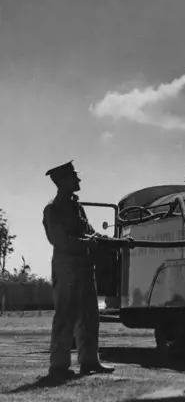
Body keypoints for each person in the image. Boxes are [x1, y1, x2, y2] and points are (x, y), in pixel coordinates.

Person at [43, 160, 114, 381]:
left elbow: (91, 232)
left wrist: (112, 241)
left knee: (90, 315)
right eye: (74, 176)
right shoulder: (53, 209)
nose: (79, 180)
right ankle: (59, 366)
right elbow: (59, 240)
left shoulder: (77, 207)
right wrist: (86, 243)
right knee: (65, 315)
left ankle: (89, 361)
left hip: (84, 266)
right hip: (67, 268)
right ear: (62, 181)